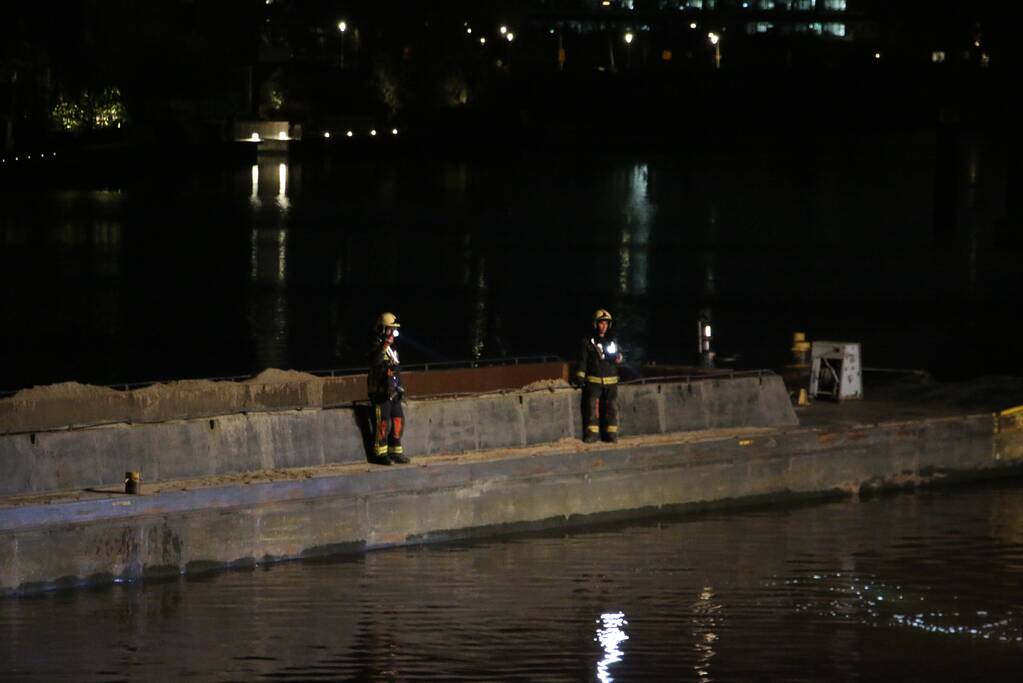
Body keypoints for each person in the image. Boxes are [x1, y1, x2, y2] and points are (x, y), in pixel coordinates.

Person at [575, 309, 624, 443]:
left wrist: (618, 357)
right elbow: (583, 360)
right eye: (601, 323)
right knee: (592, 407)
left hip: (611, 381)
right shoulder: (587, 341)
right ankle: (591, 435)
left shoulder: (613, 340)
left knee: (611, 408)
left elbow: (619, 355)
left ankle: (611, 435)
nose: (604, 326)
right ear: (595, 324)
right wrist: (580, 376)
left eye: (606, 324)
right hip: (594, 381)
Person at [368, 312, 409, 464]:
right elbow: (375, 362)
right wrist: (384, 345)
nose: (392, 333)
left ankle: (395, 451)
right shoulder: (375, 345)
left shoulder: (393, 349)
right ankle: (380, 454)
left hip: (393, 393)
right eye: (389, 329)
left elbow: (396, 370)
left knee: (398, 420)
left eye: (394, 330)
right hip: (380, 394)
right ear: (382, 329)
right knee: (383, 422)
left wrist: (400, 388)